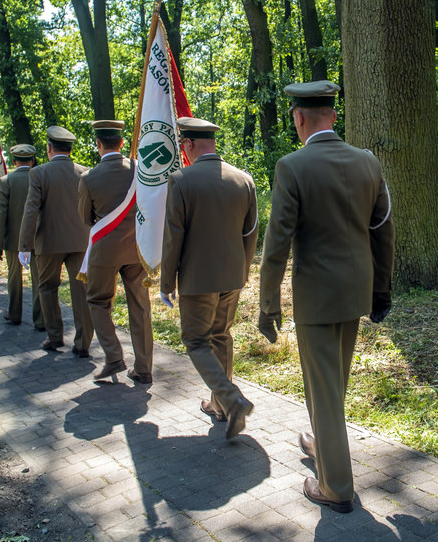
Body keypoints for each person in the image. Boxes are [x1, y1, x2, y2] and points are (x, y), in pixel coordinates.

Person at [258, 80, 394, 513]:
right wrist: (382, 288)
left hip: (317, 294)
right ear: (333, 115)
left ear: (299, 118)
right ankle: (323, 443)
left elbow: (276, 243)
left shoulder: (292, 166)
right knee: (332, 381)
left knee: (326, 387)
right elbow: (383, 229)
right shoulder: (367, 162)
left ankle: (335, 487)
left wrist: (268, 304)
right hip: (356, 289)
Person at [160, 117, 258, 437]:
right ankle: (218, 405)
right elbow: (250, 234)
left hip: (197, 280)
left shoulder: (181, 180)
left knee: (196, 341)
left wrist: (166, 283)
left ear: (188, 145)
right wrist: (241, 273)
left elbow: (173, 235)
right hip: (232, 276)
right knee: (221, 337)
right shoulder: (244, 179)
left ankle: (231, 401)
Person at [78, 120, 154, 382]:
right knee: (141, 307)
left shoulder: (88, 178)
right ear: (121, 143)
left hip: (105, 251)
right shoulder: (138, 169)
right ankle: (144, 368)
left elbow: (85, 218)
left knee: (98, 302)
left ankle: (113, 357)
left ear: (98, 144)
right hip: (137, 247)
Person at [18, 126, 93, 354]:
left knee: (47, 288)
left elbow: (31, 210)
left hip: (49, 242)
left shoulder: (38, 173)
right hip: (80, 241)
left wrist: (24, 245)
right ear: (70, 149)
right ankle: (83, 344)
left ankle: (55, 336)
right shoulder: (85, 172)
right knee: (81, 291)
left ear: (49, 148)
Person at [0, 144, 44, 330]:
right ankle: (40, 319)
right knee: (39, 278)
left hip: (14, 239)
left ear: (14, 161)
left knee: (14, 277)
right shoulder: (40, 177)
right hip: (37, 237)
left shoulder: (6, 181)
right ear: (32, 160)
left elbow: (0, 214)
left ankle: (14, 313)